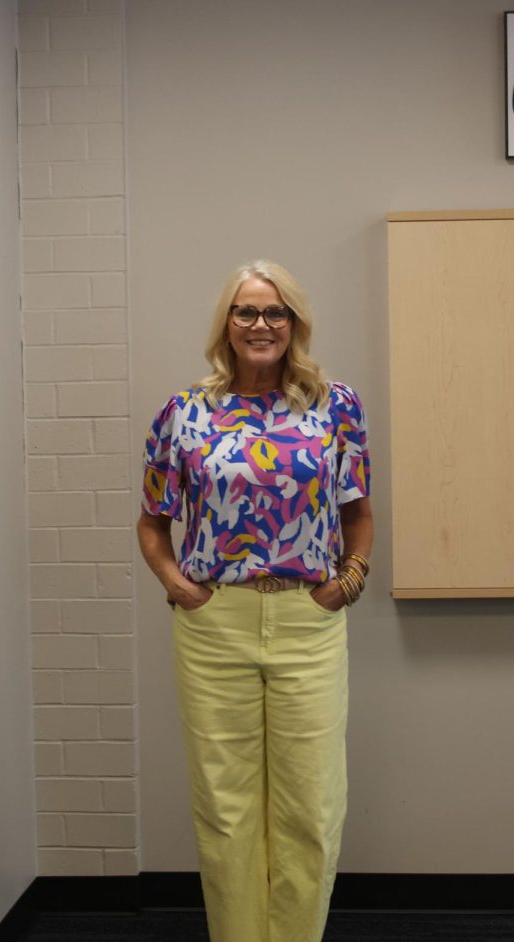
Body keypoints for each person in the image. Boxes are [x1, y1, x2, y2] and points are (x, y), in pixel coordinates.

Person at [137, 260, 373, 942]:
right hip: (217, 627)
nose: (260, 325)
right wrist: (176, 582)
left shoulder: (337, 406)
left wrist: (347, 581)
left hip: (307, 618)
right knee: (226, 808)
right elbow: (153, 521)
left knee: (311, 807)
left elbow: (359, 513)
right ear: (227, 325)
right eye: (246, 312)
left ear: (294, 325)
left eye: (275, 313)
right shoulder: (183, 413)